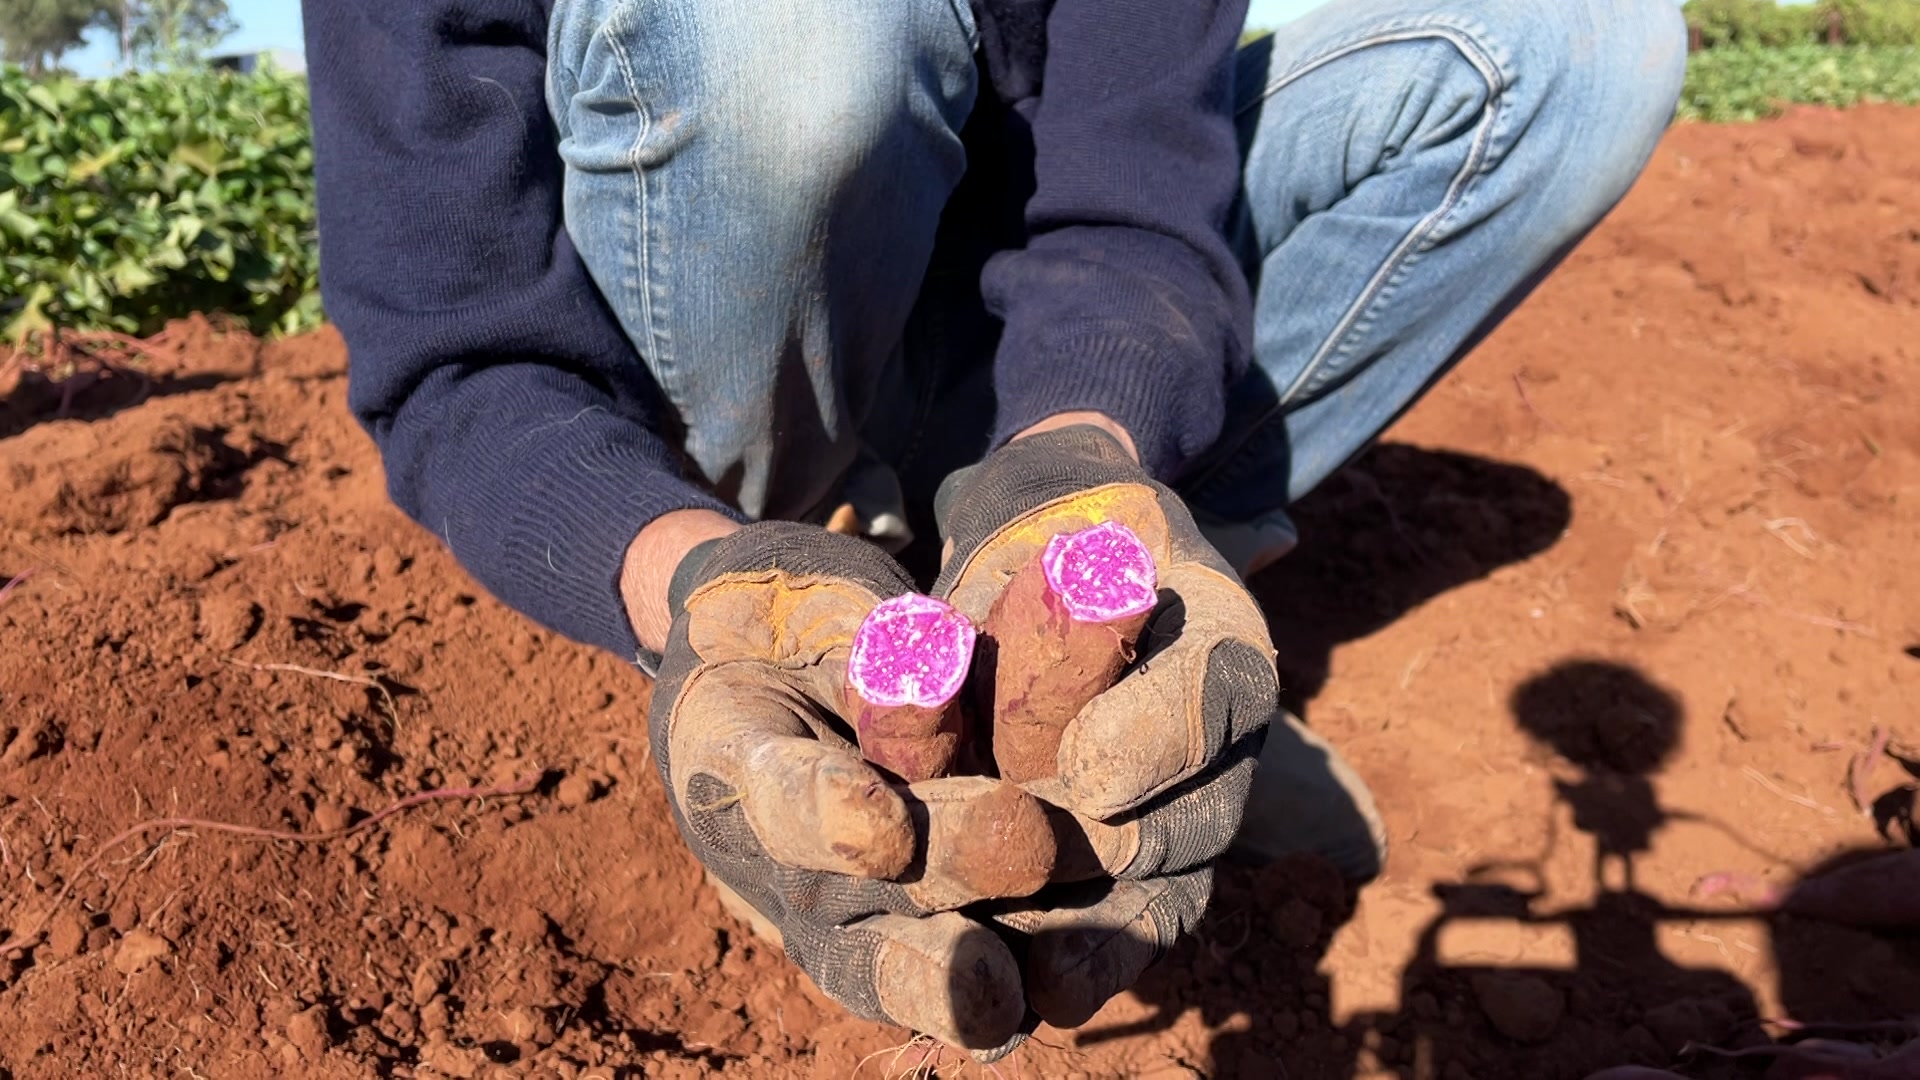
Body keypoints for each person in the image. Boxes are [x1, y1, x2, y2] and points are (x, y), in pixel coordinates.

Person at [302, 0, 1687, 1059]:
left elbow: (1133, 209)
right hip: (730, 334)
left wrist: (1079, 458)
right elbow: (458, 355)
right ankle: (791, 662)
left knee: (1575, 52)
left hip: (999, 333)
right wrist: (697, 582)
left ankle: (1102, 651)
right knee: (803, 38)